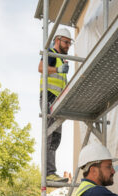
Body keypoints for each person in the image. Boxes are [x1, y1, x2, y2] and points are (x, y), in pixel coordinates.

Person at [38, 26, 73, 183]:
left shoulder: (60, 58)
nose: (68, 46)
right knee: (50, 135)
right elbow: (40, 68)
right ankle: (48, 173)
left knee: (56, 137)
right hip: (49, 97)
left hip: (57, 100)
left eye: (69, 43)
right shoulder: (52, 53)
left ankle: (51, 172)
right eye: (66, 42)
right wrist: (58, 68)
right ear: (57, 40)